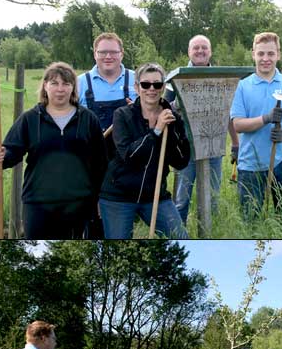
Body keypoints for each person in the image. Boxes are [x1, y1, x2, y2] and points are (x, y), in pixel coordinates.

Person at [0, 62, 108, 239]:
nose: (60, 89)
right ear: (45, 86)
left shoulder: (88, 119)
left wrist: (97, 198)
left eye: (66, 84)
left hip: (78, 203)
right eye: (54, 83)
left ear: (73, 88)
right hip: (38, 204)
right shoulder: (30, 119)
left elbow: (100, 163)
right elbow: (11, 153)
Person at [98, 63, 190, 238]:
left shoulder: (173, 117)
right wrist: (155, 131)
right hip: (118, 195)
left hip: (154, 195)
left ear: (163, 87)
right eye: (145, 84)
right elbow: (130, 156)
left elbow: (181, 161)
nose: (151, 89)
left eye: (157, 84)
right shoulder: (123, 115)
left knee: (181, 237)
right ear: (136, 87)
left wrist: (171, 131)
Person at [231, 32, 282, 230]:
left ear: (278, 55)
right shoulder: (242, 86)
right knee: (250, 220)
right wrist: (265, 118)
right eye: (261, 53)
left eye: (270, 54)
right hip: (250, 164)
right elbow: (237, 124)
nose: (265, 59)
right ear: (253, 54)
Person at [165, 35, 241, 224]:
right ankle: (179, 234)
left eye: (204, 47)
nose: (200, 51)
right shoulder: (176, 77)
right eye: (196, 48)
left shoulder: (221, 77)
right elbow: (164, 107)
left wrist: (236, 143)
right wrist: (176, 106)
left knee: (212, 198)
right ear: (189, 52)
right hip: (185, 149)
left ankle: (207, 232)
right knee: (182, 199)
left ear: (210, 51)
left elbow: (228, 113)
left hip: (212, 147)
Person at [76, 32, 137, 238]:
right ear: (95, 54)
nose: (108, 56)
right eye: (103, 52)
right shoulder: (80, 83)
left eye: (113, 52)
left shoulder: (137, 80)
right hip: (93, 158)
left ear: (122, 54)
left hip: (128, 159)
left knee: (122, 211)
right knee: (93, 213)